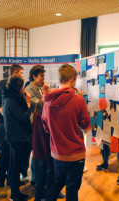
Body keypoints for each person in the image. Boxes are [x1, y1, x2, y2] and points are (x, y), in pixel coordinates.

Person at [42, 64, 90, 201]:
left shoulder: (47, 100)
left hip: (57, 153)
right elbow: (85, 124)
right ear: (71, 78)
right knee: (72, 191)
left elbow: (45, 126)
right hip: (76, 154)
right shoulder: (78, 100)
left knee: (57, 182)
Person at [0, 64, 24, 198]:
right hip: (6, 127)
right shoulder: (3, 85)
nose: (22, 76)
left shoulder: (16, 88)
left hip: (14, 129)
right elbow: (1, 107)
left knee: (13, 159)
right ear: (15, 73)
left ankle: (11, 181)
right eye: (21, 73)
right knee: (4, 157)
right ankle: (0, 184)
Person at [3, 76, 32, 201]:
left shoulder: (10, 98)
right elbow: (23, 117)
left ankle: (16, 193)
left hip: (16, 137)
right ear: (18, 87)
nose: (23, 89)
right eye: (21, 86)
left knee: (14, 166)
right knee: (15, 168)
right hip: (17, 138)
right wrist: (29, 103)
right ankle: (15, 195)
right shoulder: (11, 100)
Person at [25, 65, 49, 185]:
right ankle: (34, 178)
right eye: (41, 76)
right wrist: (45, 93)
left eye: (44, 76)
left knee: (37, 152)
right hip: (34, 125)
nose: (43, 79)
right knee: (36, 152)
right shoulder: (30, 88)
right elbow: (37, 106)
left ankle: (36, 177)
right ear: (34, 76)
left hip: (38, 124)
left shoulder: (37, 87)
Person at [32, 100, 54, 201]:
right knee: (49, 180)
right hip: (48, 154)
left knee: (39, 182)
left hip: (37, 154)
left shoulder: (36, 117)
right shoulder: (45, 119)